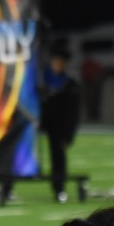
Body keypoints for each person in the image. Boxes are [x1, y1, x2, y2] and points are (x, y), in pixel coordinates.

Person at [40, 42, 81, 203]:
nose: (58, 65)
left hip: (59, 127)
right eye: (56, 61)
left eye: (61, 62)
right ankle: (8, 188)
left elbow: (73, 113)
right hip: (39, 122)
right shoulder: (41, 80)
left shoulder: (70, 85)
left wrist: (69, 134)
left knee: (58, 157)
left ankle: (59, 188)